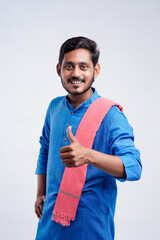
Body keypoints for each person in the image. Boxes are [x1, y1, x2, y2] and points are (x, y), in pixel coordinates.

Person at [35, 36, 142, 240]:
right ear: (59, 69)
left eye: (84, 67)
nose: (76, 73)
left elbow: (134, 166)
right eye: (69, 66)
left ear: (96, 70)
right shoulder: (54, 107)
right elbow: (45, 148)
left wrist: (88, 155)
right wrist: (40, 192)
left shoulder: (111, 116)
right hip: (50, 223)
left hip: (90, 226)